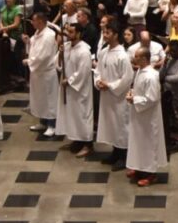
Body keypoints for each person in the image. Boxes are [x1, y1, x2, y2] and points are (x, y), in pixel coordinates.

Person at [125, 46, 167, 186]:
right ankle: (139, 167)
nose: (134, 58)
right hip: (139, 116)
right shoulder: (140, 71)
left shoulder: (151, 76)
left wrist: (134, 100)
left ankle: (151, 174)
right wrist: (132, 93)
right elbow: (138, 88)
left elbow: (152, 98)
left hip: (149, 118)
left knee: (148, 144)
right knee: (138, 143)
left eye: (136, 57)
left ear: (144, 59)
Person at [95, 21, 132, 170]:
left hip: (119, 98)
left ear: (116, 35)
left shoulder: (122, 56)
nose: (105, 35)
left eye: (108, 33)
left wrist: (109, 85)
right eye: (104, 32)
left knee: (120, 126)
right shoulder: (104, 52)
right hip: (107, 96)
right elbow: (97, 70)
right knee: (111, 125)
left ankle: (123, 156)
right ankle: (115, 153)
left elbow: (127, 78)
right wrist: (98, 82)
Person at [56, 21, 94, 157]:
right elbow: (60, 65)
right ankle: (76, 141)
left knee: (82, 116)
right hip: (68, 88)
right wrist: (60, 55)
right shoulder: (66, 46)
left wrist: (70, 81)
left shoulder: (84, 51)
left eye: (71, 32)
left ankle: (87, 144)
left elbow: (83, 71)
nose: (68, 34)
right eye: (67, 31)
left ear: (78, 33)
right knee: (72, 116)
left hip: (80, 90)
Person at [23, 11, 59, 137]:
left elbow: (44, 55)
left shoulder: (49, 35)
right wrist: (28, 42)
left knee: (49, 100)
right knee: (40, 99)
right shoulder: (38, 33)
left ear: (40, 21)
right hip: (37, 73)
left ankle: (52, 125)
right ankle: (42, 121)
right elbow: (34, 47)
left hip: (46, 72)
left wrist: (29, 61)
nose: (32, 22)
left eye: (33, 20)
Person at [160, 39, 178, 148]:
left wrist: (165, 78)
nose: (172, 53)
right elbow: (160, 75)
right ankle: (173, 140)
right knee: (169, 120)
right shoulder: (169, 60)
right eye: (170, 51)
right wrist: (164, 64)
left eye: (174, 51)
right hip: (167, 94)